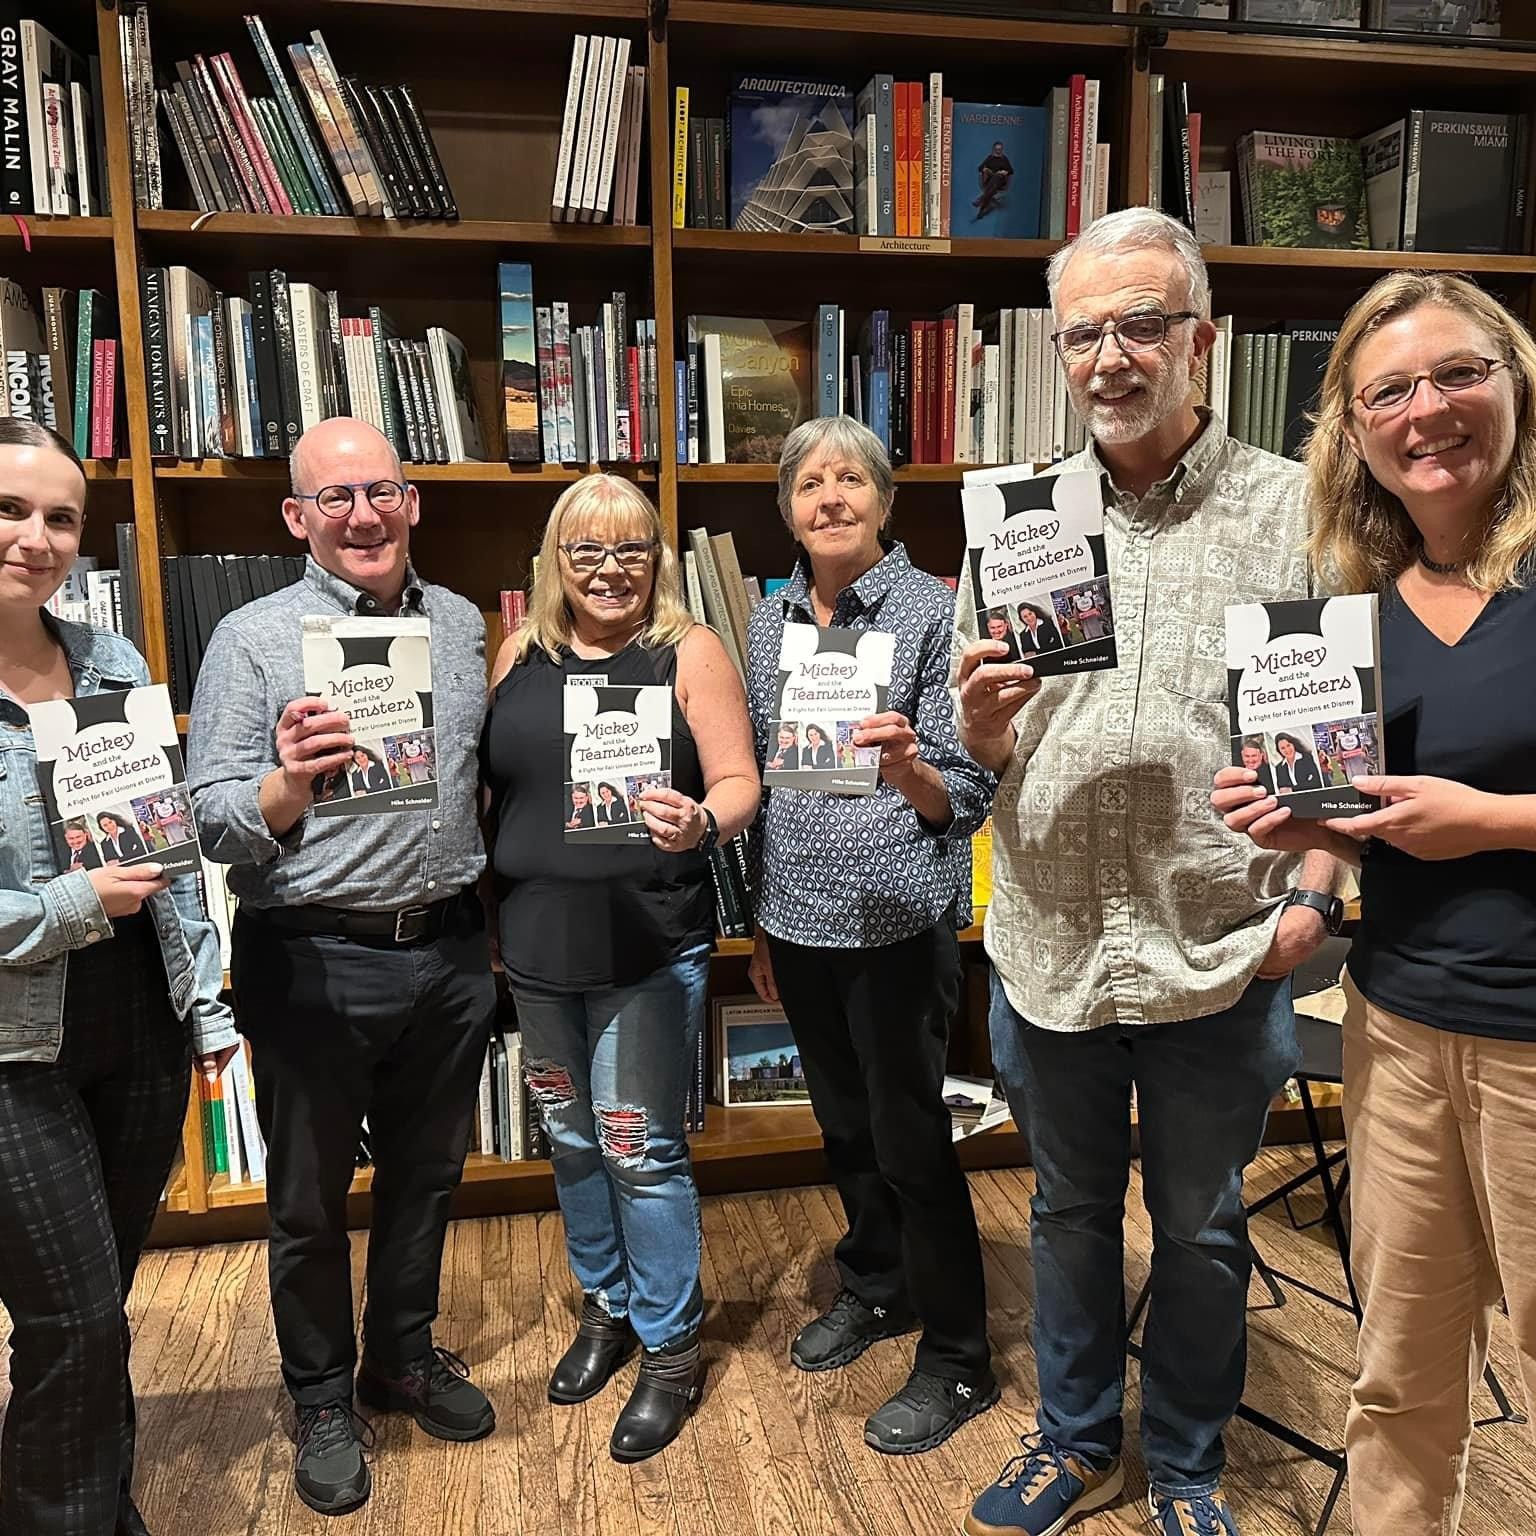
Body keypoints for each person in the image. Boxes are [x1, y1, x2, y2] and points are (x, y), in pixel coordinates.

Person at [954, 208, 1341, 1536]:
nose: (1112, 358)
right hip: (1051, 943)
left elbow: (1336, 744)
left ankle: (1183, 1465)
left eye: (1143, 324)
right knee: (1065, 1214)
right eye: (1083, 334)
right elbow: (984, 749)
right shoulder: (1015, 518)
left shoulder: (1294, 510)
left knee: (1203, 1233)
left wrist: (1315, 895)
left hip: (1214, 949)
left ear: (1202, 341)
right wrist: (983, 730)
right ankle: (1073, 1442)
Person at [1213, 271, 1536, 1536]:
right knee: (1400, 1372)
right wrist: (1311, 834)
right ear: (1353, 431)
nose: (1427, 411)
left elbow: (1457, 815)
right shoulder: (1353, 612)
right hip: (1395, 1027)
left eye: (1460, 374)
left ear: (1516, 383)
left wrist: (1493, 823)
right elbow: (1360, 826)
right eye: (1388, 390)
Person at [186, 418, 498, 1518]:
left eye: (382, 491)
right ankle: (322, 1395)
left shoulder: (462, 626)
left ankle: (400, 1358)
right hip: (314, 956)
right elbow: (207, 818)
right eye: (336, 499)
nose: (363, 515)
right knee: (310, 1204)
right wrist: (286, 786)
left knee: (429, 1181)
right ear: (297, 518)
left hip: (452, 950)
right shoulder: (251, 639)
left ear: (413, 501)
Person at [482, 474, 758, 1462]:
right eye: (587, 551)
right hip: (538, 951)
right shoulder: (518, 650)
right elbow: (494, 788)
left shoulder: (688, 651)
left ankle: (672, 1345)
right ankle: (606, 1308)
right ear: (556, 560)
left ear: (659, 560)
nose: (610, 569)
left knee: (640, 1146)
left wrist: (701, 821)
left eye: (632, 550)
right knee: (571, 1137)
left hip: (646, 945)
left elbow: (739, 782)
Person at [0, 420, 238, 1536]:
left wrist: (205, 1002)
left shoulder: (114, 665)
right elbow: (91, 887)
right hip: (13, 1046)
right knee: (75, 1318)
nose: (36, 538)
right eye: (11, 510)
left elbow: (167, 840)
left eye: (59, 518)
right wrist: (67, 907)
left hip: (138, 1015)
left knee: (96, 1305)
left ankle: (96, 1496)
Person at [746, 416, 999, 1455]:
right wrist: (758, 920)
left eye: (851, 479)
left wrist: (906, 770)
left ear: (886, 502)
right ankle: (877, 1288)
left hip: (898, 921)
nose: (832, 497)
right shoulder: (767, 623)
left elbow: (969, 793)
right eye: (811, 484)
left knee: (911, 1139)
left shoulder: (935, 609)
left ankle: (958, 1355)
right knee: (844, 1129)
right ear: (790, 511)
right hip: (797, 918)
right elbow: (763, 784)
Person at [973, 140, 1014, 218]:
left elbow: (1011, 171)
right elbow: (980, 168)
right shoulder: (990, 158)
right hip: (990, 181)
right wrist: (985, 170)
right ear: (993, 149)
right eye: (996, 149)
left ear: (1001, 150)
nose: (998, 151)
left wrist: (1004, 172)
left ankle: (981, 200)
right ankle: (981, 210)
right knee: (992, 188)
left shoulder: (1004, 159)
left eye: (999, 149)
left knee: (997, 178)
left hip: (1000, 181)